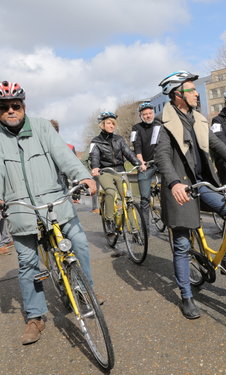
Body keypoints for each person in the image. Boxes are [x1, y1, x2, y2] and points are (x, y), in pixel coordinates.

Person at [0, 81, 98, 345]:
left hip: (56, 205)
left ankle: (83, 290)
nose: (11, 110)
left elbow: (63, 156)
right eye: (5, 107)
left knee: (78, 242)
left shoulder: (42, 126)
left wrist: (83, 176)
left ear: (24, 107)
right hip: (21, 211)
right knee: (28, 264)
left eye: (15, 106)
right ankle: (35, 317)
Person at [154, 71, 226, 319]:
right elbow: (162, 156)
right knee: (181, 244)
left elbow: (218, 145)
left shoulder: (199, 118)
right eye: (191, 89)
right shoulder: (162, 121)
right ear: (178, 95)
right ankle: (186, 296)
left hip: (203, 183)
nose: (197, 93)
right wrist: (174, 183)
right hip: (181, 186)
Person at [89, 112, 141, 235]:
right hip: (105, 171)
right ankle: (109, 220)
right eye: (108, 123)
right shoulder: (95, 141)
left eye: (113, 123)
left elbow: (128, 153)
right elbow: (94, 156)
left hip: (119, 170)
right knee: (110, 192)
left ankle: (134, 228)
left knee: (127, 197)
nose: (112, 126)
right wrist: (95, 167)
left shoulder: (119, 139)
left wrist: (137, 163)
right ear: (102, 125)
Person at [130, 101, 162, 231]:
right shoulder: (136, 128)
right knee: (144, 198)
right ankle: (145, 230)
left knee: (170, 191)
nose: (148, 116)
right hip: (146, 164)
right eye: (145, 114)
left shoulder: (159, 125)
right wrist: (141, 162)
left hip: (160, 162)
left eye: (150, 113)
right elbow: (136, 147)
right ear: (141, 115)